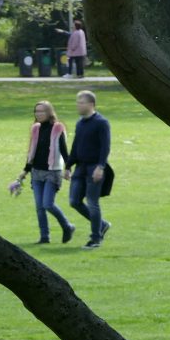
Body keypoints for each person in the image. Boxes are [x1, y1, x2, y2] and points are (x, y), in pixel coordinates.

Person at [17, 101, 76, 244]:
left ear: (49, 112)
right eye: (36, 111)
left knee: (47, 204)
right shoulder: (35, 128)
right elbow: (32, 152)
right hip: (36, 172)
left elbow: (64, 150)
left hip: (52, 173)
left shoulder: (57, 128)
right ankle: (44, 237)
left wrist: (68, 169)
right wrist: (25, 171)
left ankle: (67, 226)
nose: (38, 114)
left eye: (42, 111)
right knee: (39, 207)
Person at [65, 90, 112, 250]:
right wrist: (68, 166)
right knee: (74, 201)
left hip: (94, 167)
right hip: (80, 167)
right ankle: (102, 224)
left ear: (91, 104)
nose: (78, 105)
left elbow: (105, 147)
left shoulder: (101, 122)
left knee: (92, 202)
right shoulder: (80, 123)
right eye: (77, 102)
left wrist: (100, 167)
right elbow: (76, 145)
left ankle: (95, 238)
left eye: (81, 102)